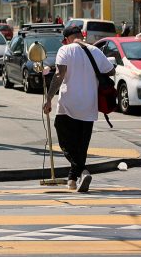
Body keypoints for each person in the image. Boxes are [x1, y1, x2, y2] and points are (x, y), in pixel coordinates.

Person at [43, 25, 115, 193]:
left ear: (66, 39)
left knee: (65, 141)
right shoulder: (95, 51)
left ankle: (82, 171)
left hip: (68, 104)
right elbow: (110, 70)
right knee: (81, 145)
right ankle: (73, 179)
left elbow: (60, 74)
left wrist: (49, 98)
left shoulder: (65, 50)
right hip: (90, 105)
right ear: (81, 35)